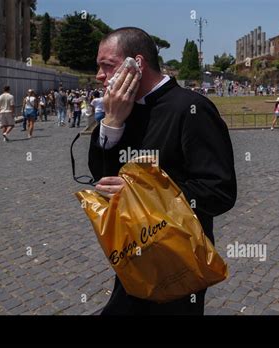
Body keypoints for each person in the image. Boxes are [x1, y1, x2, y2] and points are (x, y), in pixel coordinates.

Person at [87, 27, 237, 315]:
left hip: (178, 260)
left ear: (137, 64)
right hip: (132, 255)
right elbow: (100, 175)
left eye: (107, 65)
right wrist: (112, 122)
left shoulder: (192, 109)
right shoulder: (123, 109)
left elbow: (220, 191)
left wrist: (141, 194)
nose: (99, 75)